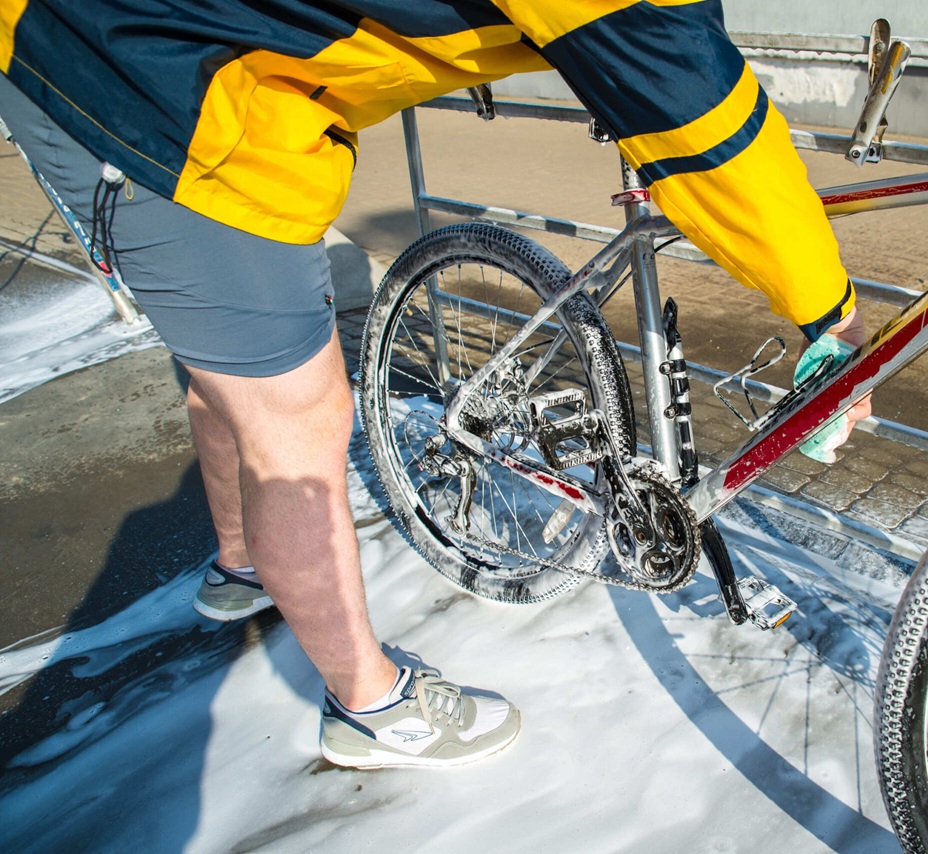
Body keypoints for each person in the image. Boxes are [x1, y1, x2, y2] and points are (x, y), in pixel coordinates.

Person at [0, 0, 869, 769]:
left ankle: (242, 567)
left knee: (228, 365)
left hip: (199, 74)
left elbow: (669, 42)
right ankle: (369, 710)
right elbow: (691, 92)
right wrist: (829, 311)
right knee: (296, 420)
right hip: (138, 85)